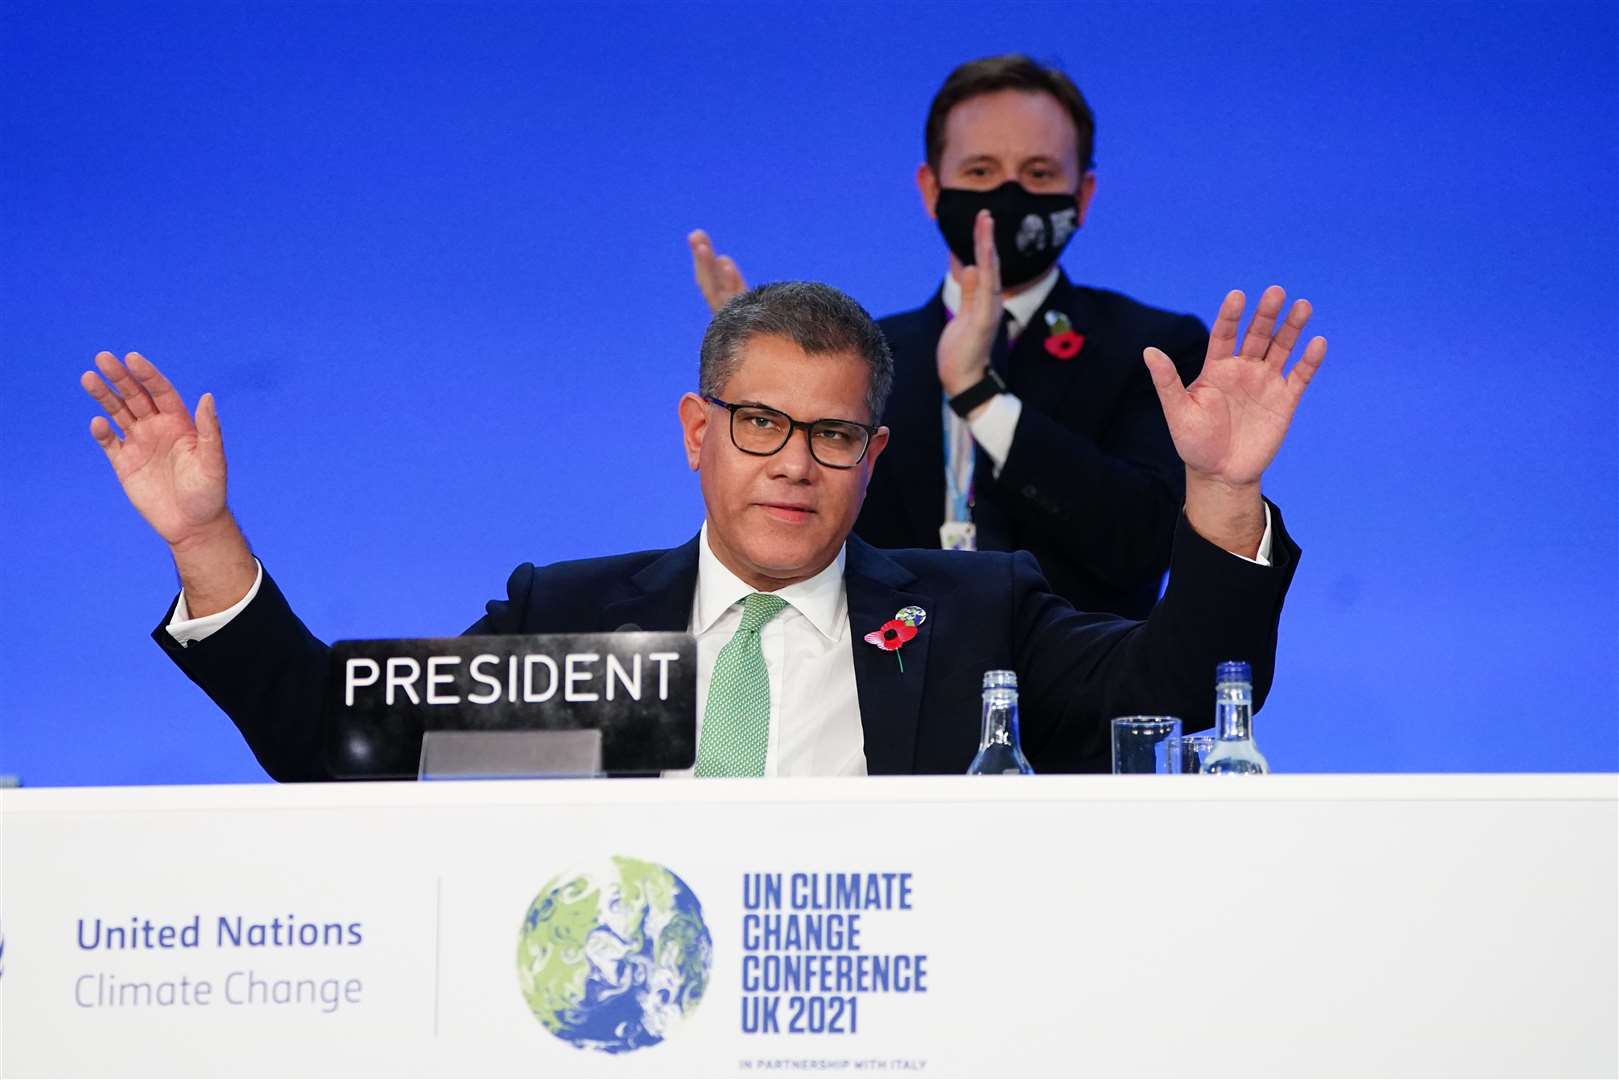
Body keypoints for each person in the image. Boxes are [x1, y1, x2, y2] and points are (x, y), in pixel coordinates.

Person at [82, 212, 1325, 781]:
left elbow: (1174, 701)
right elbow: (331, 744)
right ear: (697, 432)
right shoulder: (567, 621)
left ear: (873, 455)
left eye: (834, 434)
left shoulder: (977, 614)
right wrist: (205, 537)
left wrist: (1218, 492)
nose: (793, 460)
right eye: (760, 424)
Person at [690, 54, 1208, 619]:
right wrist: (768, 381)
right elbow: (800, 543)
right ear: (931, 188)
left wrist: (980, 396)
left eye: (1038, 175)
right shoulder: (866, 359)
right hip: (887, 693)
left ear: (1082, 196)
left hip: (1077, 693)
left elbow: (1143, 542)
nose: (1007, 199)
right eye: (980, 172)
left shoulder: (1154, 349)